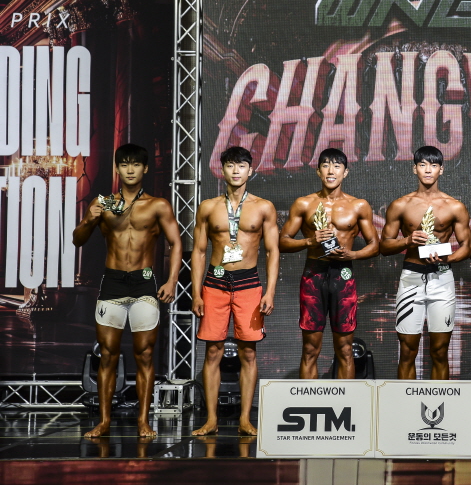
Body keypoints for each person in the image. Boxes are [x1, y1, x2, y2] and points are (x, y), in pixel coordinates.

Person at [72, 144, 182, 439]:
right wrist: (89, 218)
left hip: (144, 283)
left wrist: (172, 280)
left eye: (135, 164)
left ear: (145, 168)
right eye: (124, 164)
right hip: (113, 282)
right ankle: (104, 421)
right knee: (107, 354)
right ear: (117, 168)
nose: (130, 169)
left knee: (144, 354)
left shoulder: (158, 205)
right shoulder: (103, 203)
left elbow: (176, 242)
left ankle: (143, 421)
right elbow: (78, 240)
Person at [191, 146, 279, 436]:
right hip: (215, 283)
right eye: (230, 165)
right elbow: (199, 251)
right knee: (213, 351)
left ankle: (244, 419)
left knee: (249, 353)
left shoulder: (263, 207)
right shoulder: (208, 207)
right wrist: (196, 292)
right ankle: (211, 419)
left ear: (250, 170)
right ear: (222, 170)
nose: (236, 171)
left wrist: (270, 291)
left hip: (248, 285)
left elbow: (273, 251)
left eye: (241, 166)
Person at [279, 148, 380, 379]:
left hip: (343, 275)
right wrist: (309, 241)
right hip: (313, 274)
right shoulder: (304, 204)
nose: (331, 171)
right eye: (325, 165)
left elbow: (375, 245)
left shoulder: (358, 205)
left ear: (346, 172)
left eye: (336, 166)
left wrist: (352, 255)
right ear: (318, 171)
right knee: (310, 348)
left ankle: (346, 400)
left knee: (345, 349)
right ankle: (310, 399)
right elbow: (282, 242)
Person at [380, 146, 471, 379]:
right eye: (422, 165)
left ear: (441, 170)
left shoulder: (454, 206)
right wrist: (407, 240)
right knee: (407, 350)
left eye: (433, 165)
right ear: (415, 169)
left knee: (440, 351)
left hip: (442, 278)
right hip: (411, 278)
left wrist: (448, 258)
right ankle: (407, 402)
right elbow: (384, 246)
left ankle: (438, 402)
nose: (428, 170)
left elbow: (467, 247)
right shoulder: (400, 205)